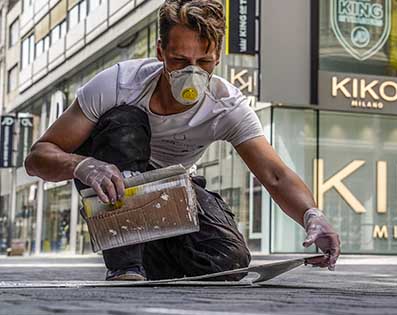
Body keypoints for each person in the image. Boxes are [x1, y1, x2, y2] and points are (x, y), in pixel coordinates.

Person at [24, 0, 340, 281]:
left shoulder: (226, 106)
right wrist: (85, 166)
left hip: (171, 193)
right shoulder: (118, 84)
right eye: (178, 60)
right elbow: (38, 156)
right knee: (126, 120)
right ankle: (126, 266)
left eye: (205, 62)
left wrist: (312, 215)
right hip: (115, 179)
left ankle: (141, 251)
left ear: (218, 56)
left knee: (228, 260)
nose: (192, 73)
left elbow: (275, 175)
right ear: (160, 51)